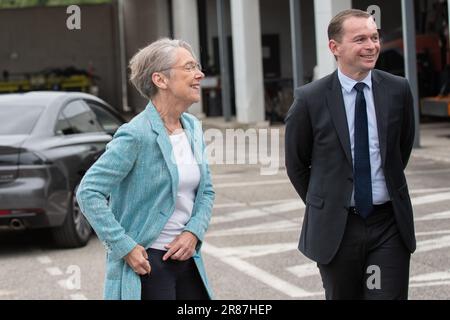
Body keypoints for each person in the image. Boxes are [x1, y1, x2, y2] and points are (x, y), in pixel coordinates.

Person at [285, 9, 415, 300]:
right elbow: (296, 163)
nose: (371, 46)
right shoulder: (310, 99)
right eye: (360, 39)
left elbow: (401, 150)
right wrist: (328, 203)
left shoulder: (397, 90)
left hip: (387, 226)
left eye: (374, 37)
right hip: (338, 229)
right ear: (335, 47)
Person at [76, 38, 215, 300]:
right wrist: (124, 247)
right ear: (160, 80)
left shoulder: (192, 127)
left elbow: (206, 191)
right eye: (188, 67)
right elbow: (89, 192)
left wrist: (193, 231)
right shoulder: (135, 135)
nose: (199, 74)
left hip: (188, 260)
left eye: (197, 66)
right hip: (148, 266)